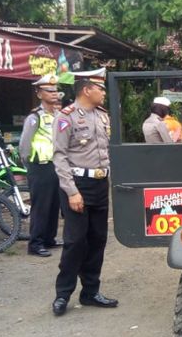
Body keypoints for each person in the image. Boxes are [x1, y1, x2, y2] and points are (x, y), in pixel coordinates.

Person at [51, 70, 118, 316]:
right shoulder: (65, 118)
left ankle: (90, 292)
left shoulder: (102, 116)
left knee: (98, 239)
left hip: (100, 185)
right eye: (99, 88)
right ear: (87, 89)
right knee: (75, 241)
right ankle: (63, 293)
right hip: (77, 185)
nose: (103, 93)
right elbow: (59, 156)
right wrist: (71, 191)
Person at [18, 74, 62, 257]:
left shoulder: (59, 115)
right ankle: (35, 243)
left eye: (55, 90)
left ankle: (49, 239)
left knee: (54, 205)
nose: (54, 94)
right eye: (49, 90)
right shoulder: (35, 117)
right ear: (39, 94)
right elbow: (24, 145)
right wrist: (28, 165)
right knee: (41, 206)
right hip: (39, 166)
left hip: (56, 165)